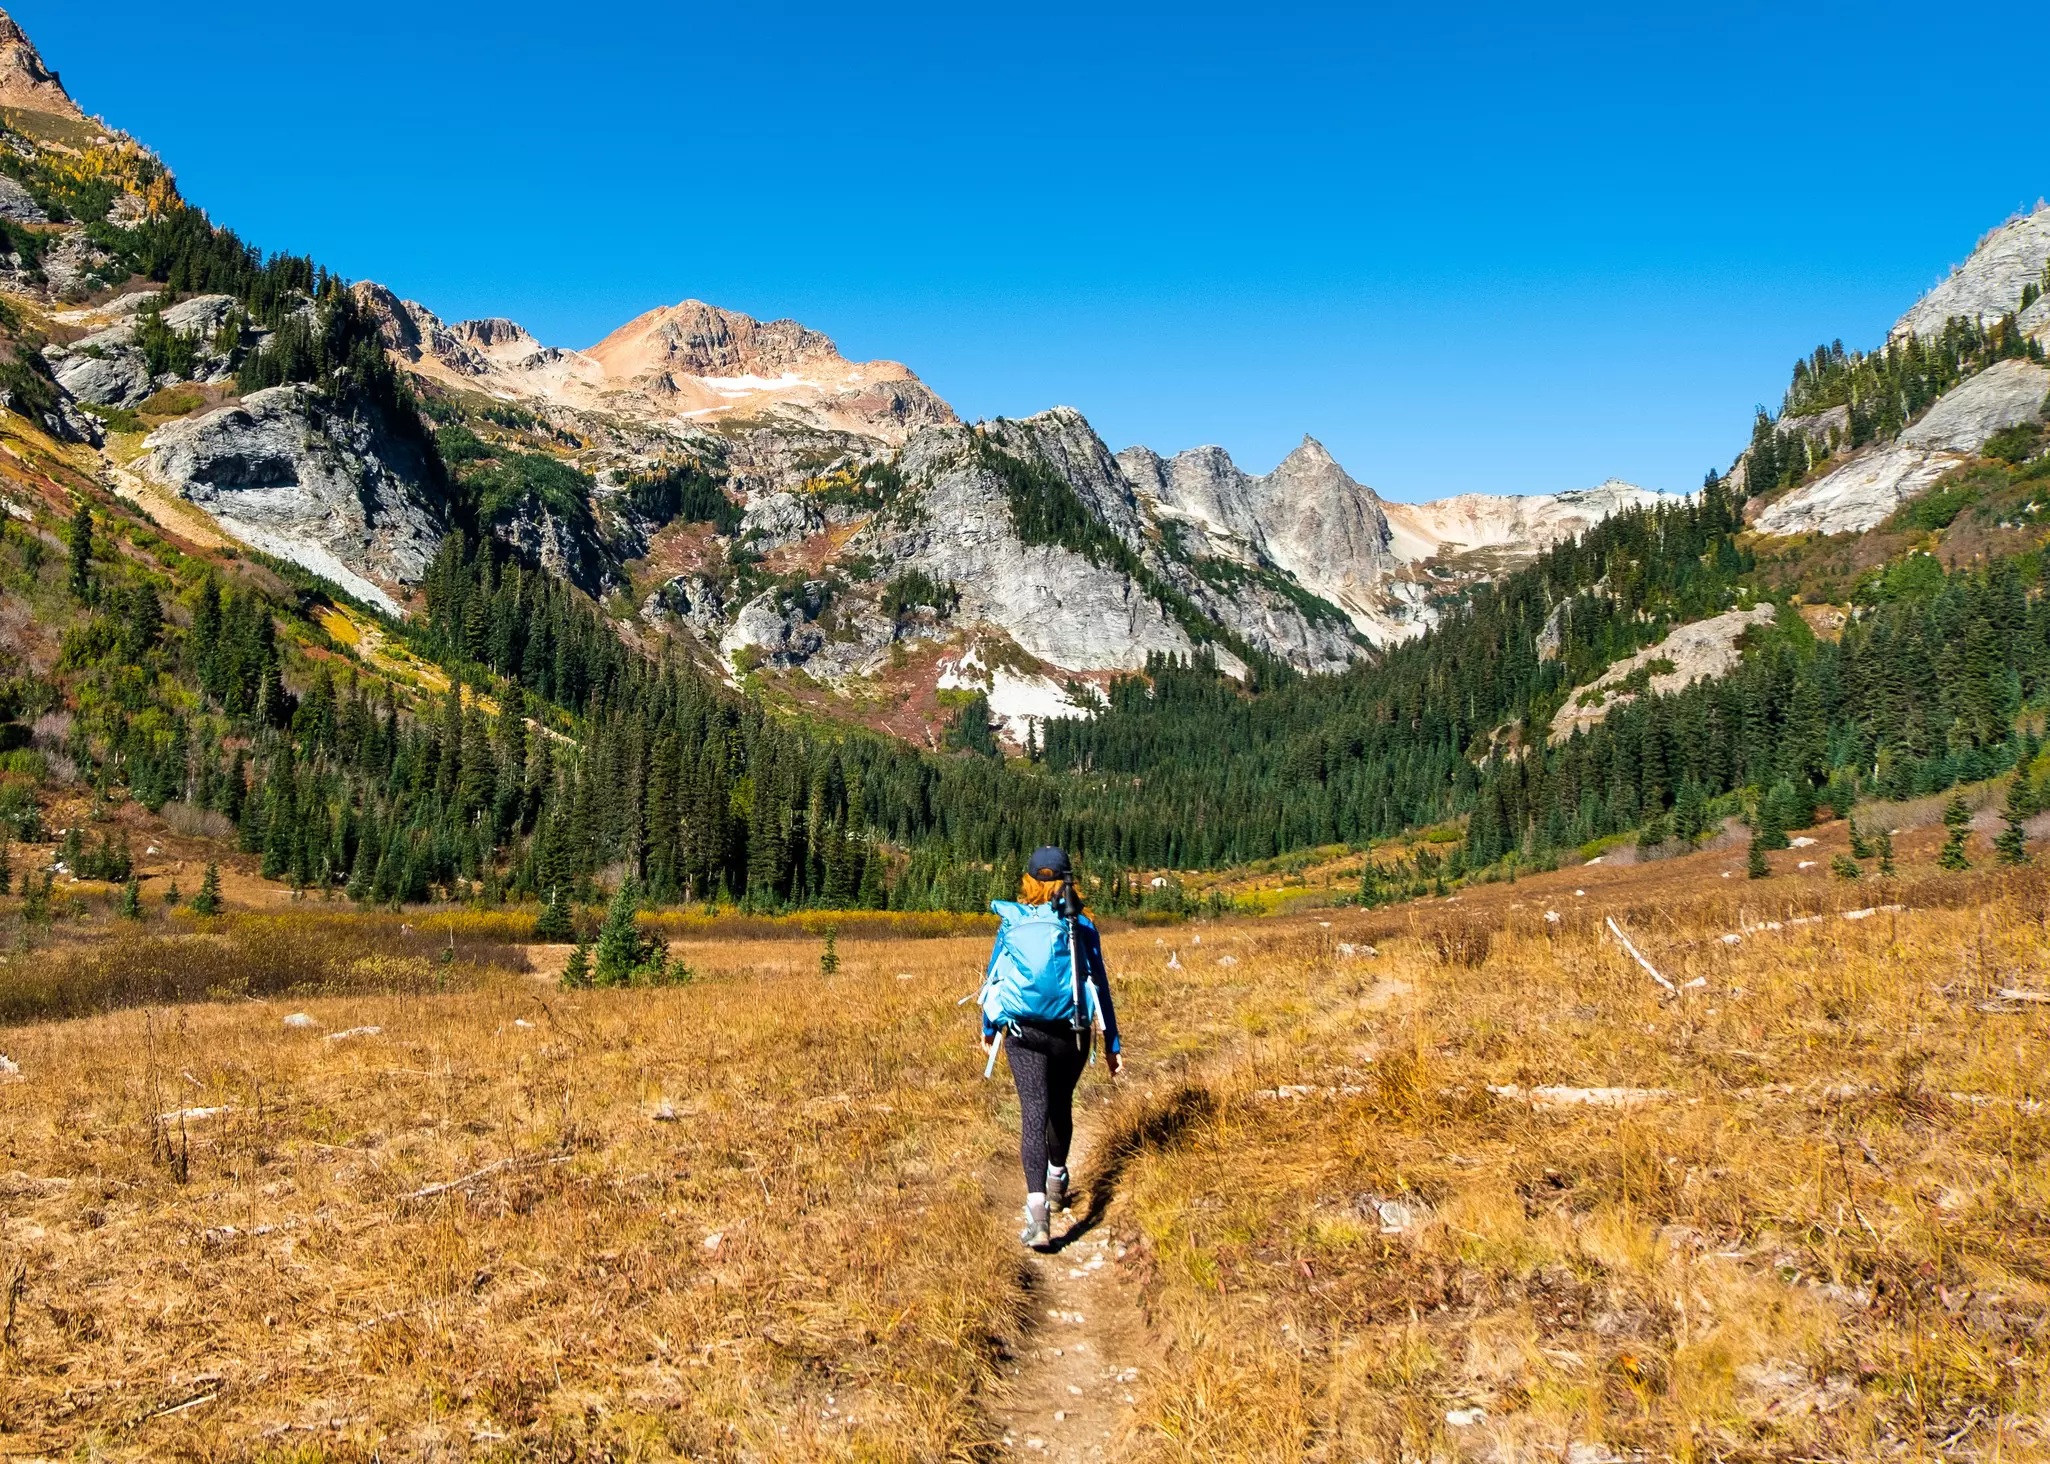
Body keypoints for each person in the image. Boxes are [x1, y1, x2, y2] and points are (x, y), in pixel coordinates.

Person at [977, 846, 1122, 1250]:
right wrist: (1111, 1043)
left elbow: (995, 977)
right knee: (1060, 1105)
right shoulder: (1081, 924)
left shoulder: (1013, 922)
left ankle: (1037, 1215)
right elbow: (1100, 985)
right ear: (1067, 881)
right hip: (1071, 1032)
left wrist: (990, 1026)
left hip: (1024, 1032)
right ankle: (1058, 1179)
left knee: (1033, 1112)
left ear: (1028, 882)